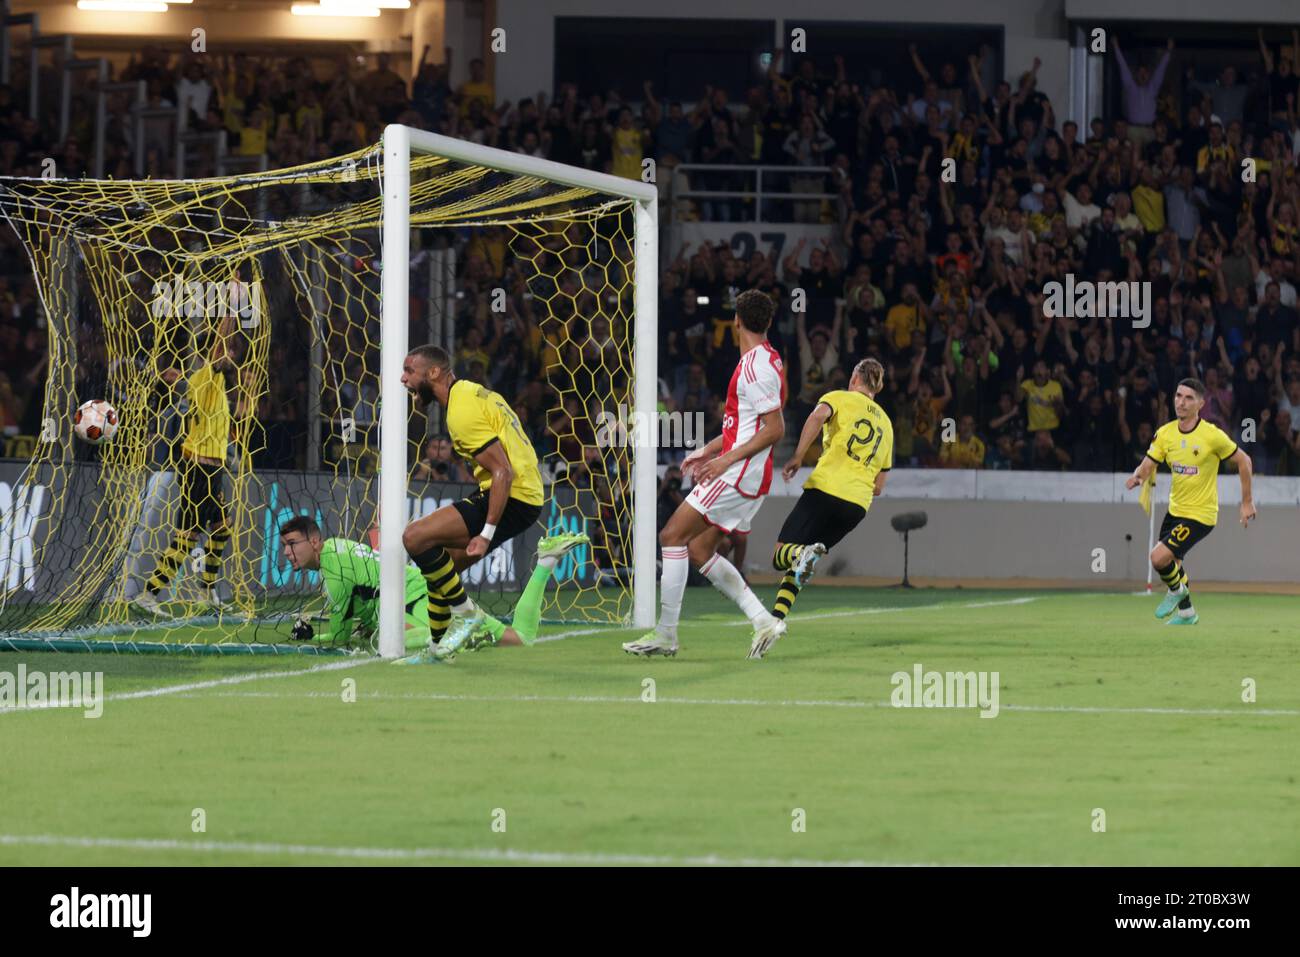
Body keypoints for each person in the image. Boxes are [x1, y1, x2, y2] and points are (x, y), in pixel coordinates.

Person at [622, 290, 787, 658]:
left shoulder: (754, 368)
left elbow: (775, 429)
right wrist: (707, 450)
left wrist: (725, 461)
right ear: (769, 323)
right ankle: (763, 620)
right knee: (697, 548)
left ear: (737, 321)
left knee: (671, 535)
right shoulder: (769, 359)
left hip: (738, 475)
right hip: (748, 474)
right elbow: (744, 426)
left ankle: (666, 634)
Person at [397, 344, 545, 655]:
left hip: (512, 493)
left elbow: (503, 471)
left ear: (434, 372)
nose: (403, 378)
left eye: (409, 371)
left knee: (415, 537)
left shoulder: (460, 412)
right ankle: (437, 649)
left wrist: (485, 534)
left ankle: (466, 615)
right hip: (525, 493)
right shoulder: (471, 392)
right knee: (443, 570)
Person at [758, 358, 893, 658]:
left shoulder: (838, 398)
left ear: (856, 376)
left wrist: (798, 456)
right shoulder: (886, 422)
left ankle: (799, 558)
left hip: (826, 489)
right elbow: (880, 485)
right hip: (857, 506)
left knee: (782, 555)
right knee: (802, 563)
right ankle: (774, 623)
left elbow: (817, 417)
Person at [1125, 378, 1256, 625]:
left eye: (1188, 398)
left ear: (1200, 404)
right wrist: (1138, 477)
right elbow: (1149, 462)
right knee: (1173, 564)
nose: (1181, 402)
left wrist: (1246, 501)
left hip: (1201, 515)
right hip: (1175, 511)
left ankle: (1177, 592)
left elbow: (1244, 461)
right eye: (1178, 396)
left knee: (1157, 558)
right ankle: (1187, 613)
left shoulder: (1211, 435)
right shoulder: (1165, 434)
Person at [133, 313, 238, 616]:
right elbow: (221, 343)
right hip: (197, 470)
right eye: (227, 351)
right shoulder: (205, 377)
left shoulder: (215, 383)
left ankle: (206, 591)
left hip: (213, 470)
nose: (232, 355)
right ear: (215, 353)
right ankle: (149, 593)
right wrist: (231, 307)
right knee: (186, 538)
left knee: (220, 529)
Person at [279, 517, 431, 652]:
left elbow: (339, 638)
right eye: (284, 545)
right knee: (384, 635)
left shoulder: (334, 574)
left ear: (314, 542)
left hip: (415, 594)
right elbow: (363, 595)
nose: (286, 551)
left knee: (392, 641)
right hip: (414, 588)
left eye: (292, 543)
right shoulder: (332, 545)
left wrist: (308, 637)